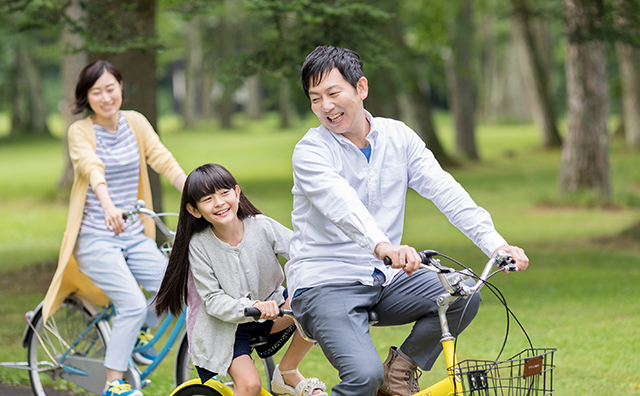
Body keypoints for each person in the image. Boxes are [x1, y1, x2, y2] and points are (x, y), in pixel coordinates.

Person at [285, 45, 530, 396]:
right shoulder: (311, 151)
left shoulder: (398, 137)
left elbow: (446, 191)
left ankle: (398, 373)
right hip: (325, 283)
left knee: (462, 294)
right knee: (363, 378)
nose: (325, 107)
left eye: (334, 93)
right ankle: (377, 379)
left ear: (362, 88)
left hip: (383, 279)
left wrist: (496, 244)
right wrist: (383, 246)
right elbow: (341, 205)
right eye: (315, 98)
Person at [41, 60, 187, 396]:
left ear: (121, 87)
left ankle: (135, 332)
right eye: (97, 91)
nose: (106, 97)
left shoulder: (135, 122)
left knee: (173, 287)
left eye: (111, 88)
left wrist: (198, 193)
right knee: (133, 304)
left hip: (134, 235)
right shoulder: (80, 131)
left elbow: (162, 159)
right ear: (86, 97)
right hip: (95, 238)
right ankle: (113, 383)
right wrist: (108, 206)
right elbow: (90, 167)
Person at [154, 163, 327, 396]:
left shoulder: (261, 226)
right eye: (207, 199)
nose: (219, 202)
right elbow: (213, 300)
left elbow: (303, 252)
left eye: (224, 193)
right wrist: (252, 306)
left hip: (272, 312)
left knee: (317, 300)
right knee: (250, 386)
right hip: (227, 328)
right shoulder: (199, 245)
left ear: (237, 192)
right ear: (194, 210)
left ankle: (287, 371)